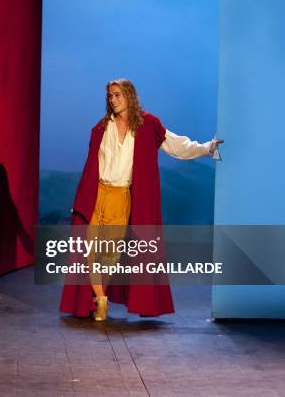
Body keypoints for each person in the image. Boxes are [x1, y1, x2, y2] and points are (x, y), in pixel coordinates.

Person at [60, 78, 223, 321]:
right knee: (88, 251)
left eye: (117, 95)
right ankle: (100, 299)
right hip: (97, 194)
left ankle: (100, 296)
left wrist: (207, 148)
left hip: (120, 196)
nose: (113, 100)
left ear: (129, 96)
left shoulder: (148, 125)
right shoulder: (102, 128)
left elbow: (177, 146)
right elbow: (90, 167)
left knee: (110, 255)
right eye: (110, 96)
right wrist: (81, 198)